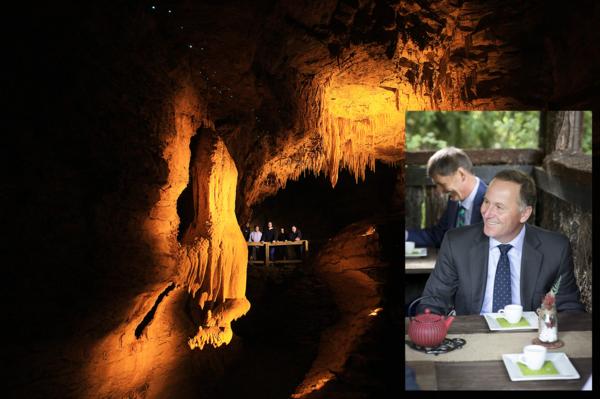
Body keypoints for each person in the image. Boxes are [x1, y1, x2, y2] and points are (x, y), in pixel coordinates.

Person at [418, 169, 584, 315]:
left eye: (499, 207)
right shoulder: (457, 243)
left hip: (531, 341)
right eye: (486, 201)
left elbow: (569, 308)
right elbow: (433, 301)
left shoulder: (555, 249)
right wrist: (431, 328)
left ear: (524, 214)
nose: (486, 212)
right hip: (474, 339)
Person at [406, 147, 487, 248]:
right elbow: (438, 235)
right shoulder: (454, 200)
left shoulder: (491, 202)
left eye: (442, 184)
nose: (439, 191)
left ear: (461, 175)